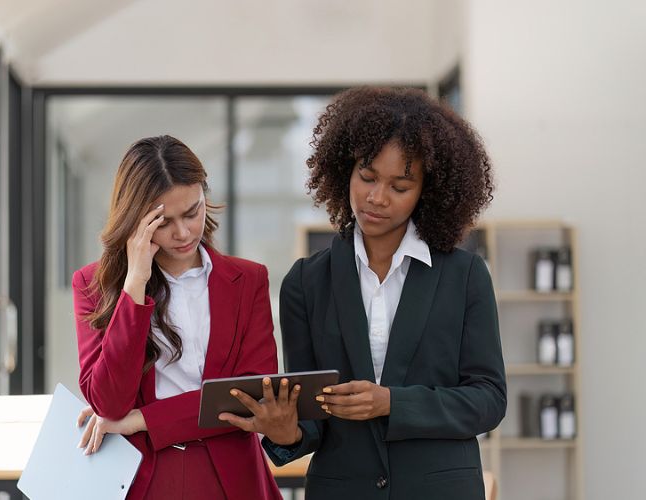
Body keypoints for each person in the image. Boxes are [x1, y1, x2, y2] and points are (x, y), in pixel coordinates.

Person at [220, 87, 507, 499]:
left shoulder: (465, 276)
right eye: (367, 177)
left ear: (429, 189)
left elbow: (488, 400)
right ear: (345, 171)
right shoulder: (305, 283)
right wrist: (286, 432)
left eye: (400, 186)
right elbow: (310, 420)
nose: (376, 198)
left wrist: (392, 402)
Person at [72, 135, 282, 500]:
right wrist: (134, 284)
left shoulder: (249, 280)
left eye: (192, 211)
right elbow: (109, 404)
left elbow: (248, 394)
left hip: (232, 481)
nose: (183, 233)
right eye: (164, 221)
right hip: (142, 480)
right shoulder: (93, 284)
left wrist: (141, 420)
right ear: (136, 219)